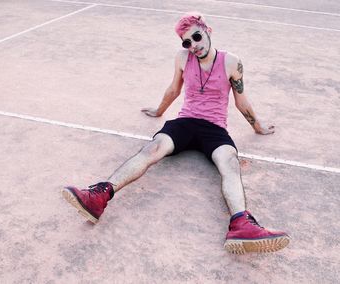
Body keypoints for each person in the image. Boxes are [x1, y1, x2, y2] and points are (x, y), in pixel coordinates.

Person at [62, 12, 290, 254]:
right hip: (185, 123)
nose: (193, 45)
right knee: (152, 149)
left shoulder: (231, 62)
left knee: (229, 162)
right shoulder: (183, 59)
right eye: (187, 42)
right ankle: (98, 197)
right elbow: (173, 89)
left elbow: (241, 101)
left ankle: (241, 224)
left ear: (208, 31)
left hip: (214, 128)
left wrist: (258, 127)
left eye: (196, 37)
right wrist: (158, 111)